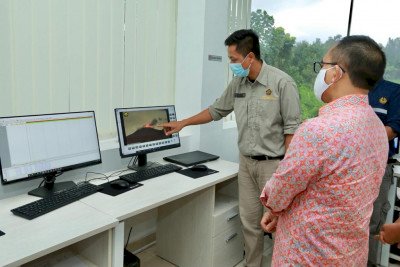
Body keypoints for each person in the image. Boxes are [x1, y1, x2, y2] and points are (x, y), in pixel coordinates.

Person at [161, 29, 301, 267]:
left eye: (234, 60)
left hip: (274, 165)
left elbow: (292, 131)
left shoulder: (282, 83)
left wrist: (287, 173)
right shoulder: (238, 82)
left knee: (280, 225)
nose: (231, 65)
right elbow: (216, 111)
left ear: (250, 57)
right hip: (246, 164)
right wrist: (183, 123)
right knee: (250, 222)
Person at [259, 35, 388, 266]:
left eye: (323, 65)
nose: (320, 72)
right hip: (350, 255)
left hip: (308, 254)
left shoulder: (318, 131)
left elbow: (282, 187)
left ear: (336, 73)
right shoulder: (377, 127)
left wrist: (273, 208)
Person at [368, 79, 400, 265]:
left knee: (372, 225)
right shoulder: (349, 89)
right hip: (348, 165)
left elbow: (393, 129)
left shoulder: (392, 91)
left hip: (378, 166)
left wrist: (357, 138)